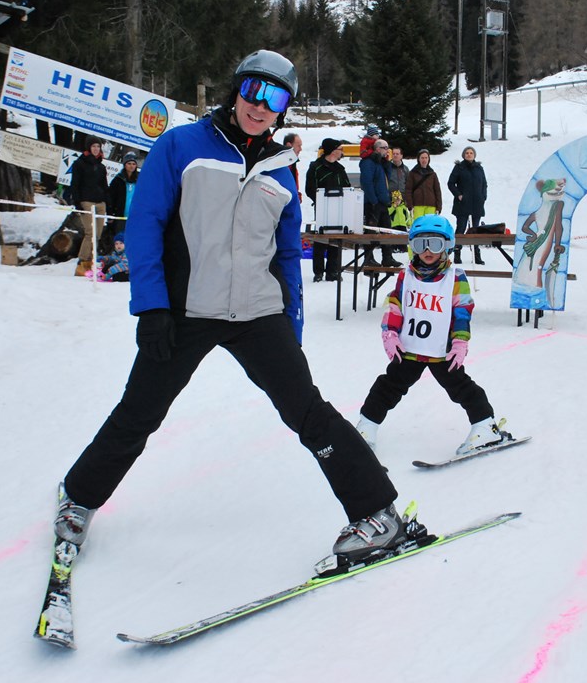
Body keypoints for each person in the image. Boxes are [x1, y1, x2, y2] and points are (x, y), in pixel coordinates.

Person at [53, 50, 421, 567]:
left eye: (275, 98)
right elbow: (145, 226)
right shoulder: (181, 145)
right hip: (186, 310)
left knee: (309, 412)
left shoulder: (282, 169)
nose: (260, 105)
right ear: (236, 89)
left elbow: (287, 255)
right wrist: (152, 306)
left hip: (258, 314)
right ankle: (78, 497)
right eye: (253, 89)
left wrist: (291, 326)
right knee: (140, 411)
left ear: (284, 109)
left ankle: (378, 513)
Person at [354, 215, 510, 460]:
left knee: (460, 387)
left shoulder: (455, 277)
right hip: (409, 348)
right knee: (388, 387)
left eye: (435, 244)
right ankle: (366, 427)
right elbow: (396, 303)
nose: (427, 251)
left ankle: (485, 426)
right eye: (421, 244)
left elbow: (462, 310)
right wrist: (390, 332)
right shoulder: (406, 275)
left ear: (447, 245)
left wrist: (460, 341)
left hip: (441, 350)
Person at [304, 137, 351, 282]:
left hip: (338, 208)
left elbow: (347, 187)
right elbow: (309, 188)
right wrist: (321, 200)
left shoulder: (340, 169)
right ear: (332, 151)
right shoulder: (316, 167)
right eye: (340, 149)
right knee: (321, 238)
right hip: (322, 207)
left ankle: (332, 271)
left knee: (336, 238)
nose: (342, 152)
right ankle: (318, 271)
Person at [70, 136, 109, 274]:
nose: (96, 149)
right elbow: (75, 184)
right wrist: (77, 202)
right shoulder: (79, 164)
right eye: (93, 146)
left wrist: (107, 202)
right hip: (86, 201)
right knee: (89, 233)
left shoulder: (101, 166)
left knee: (97, 234)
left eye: (98, 146)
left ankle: (91, 260)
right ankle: (82, 260)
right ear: (88, 148)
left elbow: (104, 186)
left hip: (100, 202)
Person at [359, 138, 399, 267]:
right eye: (385, 148)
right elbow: (367, 182)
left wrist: (386, 162)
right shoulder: (368, 162)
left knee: (387, 230)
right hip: (373, 203)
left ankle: (387, 257)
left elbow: (387, 177)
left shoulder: (381, 163)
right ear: (377, 149)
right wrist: (373, 200)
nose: (388, 151)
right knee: (371, 232)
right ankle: (368, 257)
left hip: (382, 201)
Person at [447, 146, 487, 265]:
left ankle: (476, 255)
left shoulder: (479, 168)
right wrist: (458, 195)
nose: (469, 155)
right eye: (467, 153)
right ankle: (457, 253)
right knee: (461, 228)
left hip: (477, 204)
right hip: (463, 204)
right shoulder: (459, 167)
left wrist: (483, 196)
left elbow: (484, 184)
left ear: (474, 155)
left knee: (475, 230)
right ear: (464, 155)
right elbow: (451, 183)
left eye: (471, 153)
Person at [404, 148, 442, 220]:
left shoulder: (433, 174)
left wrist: (439, 207)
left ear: (428, 159)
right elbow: (408, 190)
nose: (424, 160)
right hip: (417, 206)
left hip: (431, 206)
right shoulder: (412, 173)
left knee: (429, 225)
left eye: (426, 158)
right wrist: (410, 205)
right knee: (418, 224)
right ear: (418, 159)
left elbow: (437, 191)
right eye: (422, 158)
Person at [107, 152, 140, 228]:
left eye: (133, 164)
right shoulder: (118, 180)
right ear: (125, 165)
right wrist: (110, 213)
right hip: (120, 216)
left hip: (134, 216)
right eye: (129, 163)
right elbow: (110, 197)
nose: (131, 166)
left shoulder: (139, 180)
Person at [282, 132, 303, 202]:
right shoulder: (280, 165)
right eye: (298, 146)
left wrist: (297, 195)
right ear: (289, 145)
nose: (301, 149)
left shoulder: (292, 163)